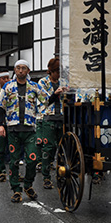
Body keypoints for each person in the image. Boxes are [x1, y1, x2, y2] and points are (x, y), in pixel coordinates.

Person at [0, 59, 60, 203]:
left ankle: (28, 185)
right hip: (13, 128)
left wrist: (56, 94)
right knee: (13, 162)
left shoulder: (34, 86)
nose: (20, 71)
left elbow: (46, 100)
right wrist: (1, 125)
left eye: (23, 68)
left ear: (28, 71)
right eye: (18, 68)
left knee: (32, 159)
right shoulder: (8, 86)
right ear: (15, 70)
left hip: (30, 128)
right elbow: (0, 106)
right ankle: (16, 190)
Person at [37, 57, 65, 189]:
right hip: (48, 118)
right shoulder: (42, 82)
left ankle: (63, 174)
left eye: (60, 72)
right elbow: (44, 101)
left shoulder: (63, 82)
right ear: (51, 71)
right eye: (56, 72)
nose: (58, 75)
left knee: (64, 148)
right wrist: (55, 93)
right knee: (48, 148)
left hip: (62, 118)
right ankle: (46, 177)